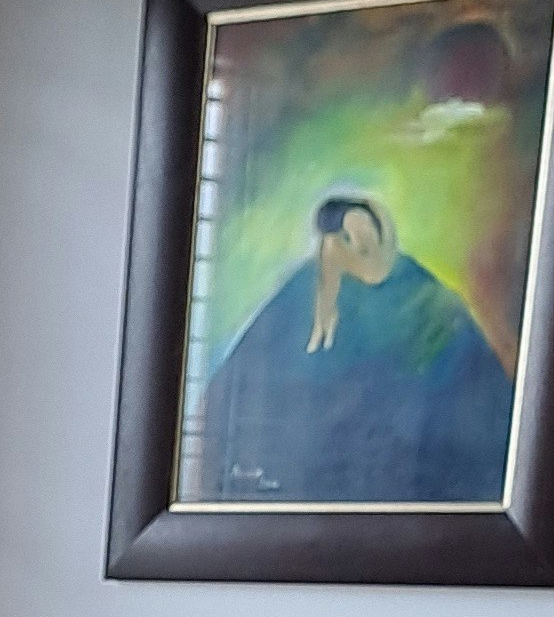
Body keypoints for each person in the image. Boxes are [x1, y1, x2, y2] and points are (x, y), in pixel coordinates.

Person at [192, 188, 516, 508]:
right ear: (332, 245)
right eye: (350, 238)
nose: (363, 248)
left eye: (369, 236)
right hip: (310, 492)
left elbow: (484, 403)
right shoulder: (303, 293)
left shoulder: (428, 299)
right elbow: (239, 386)